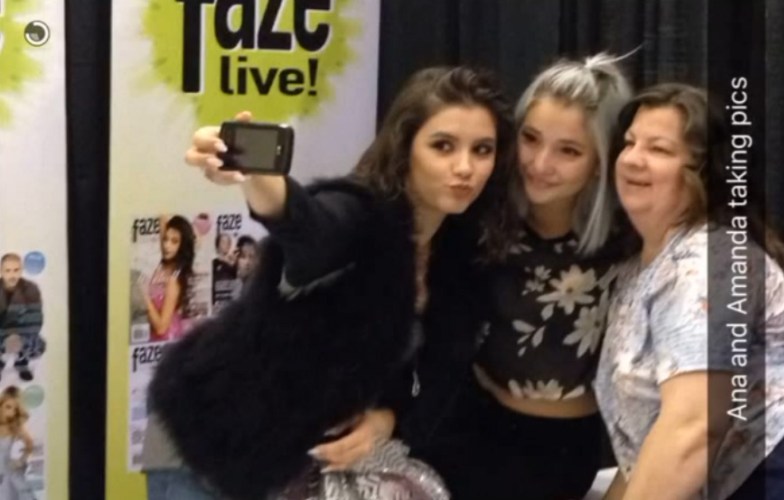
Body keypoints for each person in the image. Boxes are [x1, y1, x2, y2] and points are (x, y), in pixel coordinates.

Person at [146, 65, 516, 500]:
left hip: (282, 465)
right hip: (204, 439)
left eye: (482, 150)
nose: (465, 167)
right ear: (405, 148)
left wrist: (388, 420)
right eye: (443, 146)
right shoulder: (359, 213)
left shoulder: (462, 254)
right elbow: (306, 224)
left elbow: (439, 371)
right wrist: (257, 173)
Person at [595, 83, 784, 499]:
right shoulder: (636, 272)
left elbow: (693, 431)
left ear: (703, 173)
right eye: (629, 142)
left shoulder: (709, 263)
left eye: (659, 149)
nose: (632, 158)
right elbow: (646, 453)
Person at [415, 53, 632, 500]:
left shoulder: (626, 240)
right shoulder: (482, 217)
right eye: (530, 139)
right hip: (463, 418)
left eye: (568, 151)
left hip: (558, 447)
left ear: (600, 160)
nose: (539, 163)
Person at [142, 215, 196, 342]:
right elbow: (163, 218)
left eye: (174, 241)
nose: (167, 245)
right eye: (165, 239)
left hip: (166, 339)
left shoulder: (173, 280)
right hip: (154, 338)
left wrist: (144, 297)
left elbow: (161, 328)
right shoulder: (163, 265)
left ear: (182, 246)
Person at [0, 254, 45, 382]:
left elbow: (35, 319)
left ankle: (21, 362)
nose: (12, 275)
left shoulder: (31, 289)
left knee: (35, 343)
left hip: (23, 332)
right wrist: (7, 335)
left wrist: (16, 335)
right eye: (8, 270)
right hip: (1, 332)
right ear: (1, 271)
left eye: (16, 270)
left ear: (21, 270)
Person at [0, 386, 36, 500]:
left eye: (14, 409)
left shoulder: (15, 428)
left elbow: (30, 445)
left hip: (9, 475)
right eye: (8, 407)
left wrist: (21, 461)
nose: (11, 413)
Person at [210, 232, 237, 310]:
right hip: (217, 302)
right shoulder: (213, 263)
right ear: (217, 245)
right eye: (223, 242)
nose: (226, 244)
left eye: (228, 242)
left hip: (230, 301)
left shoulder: (234, 263)